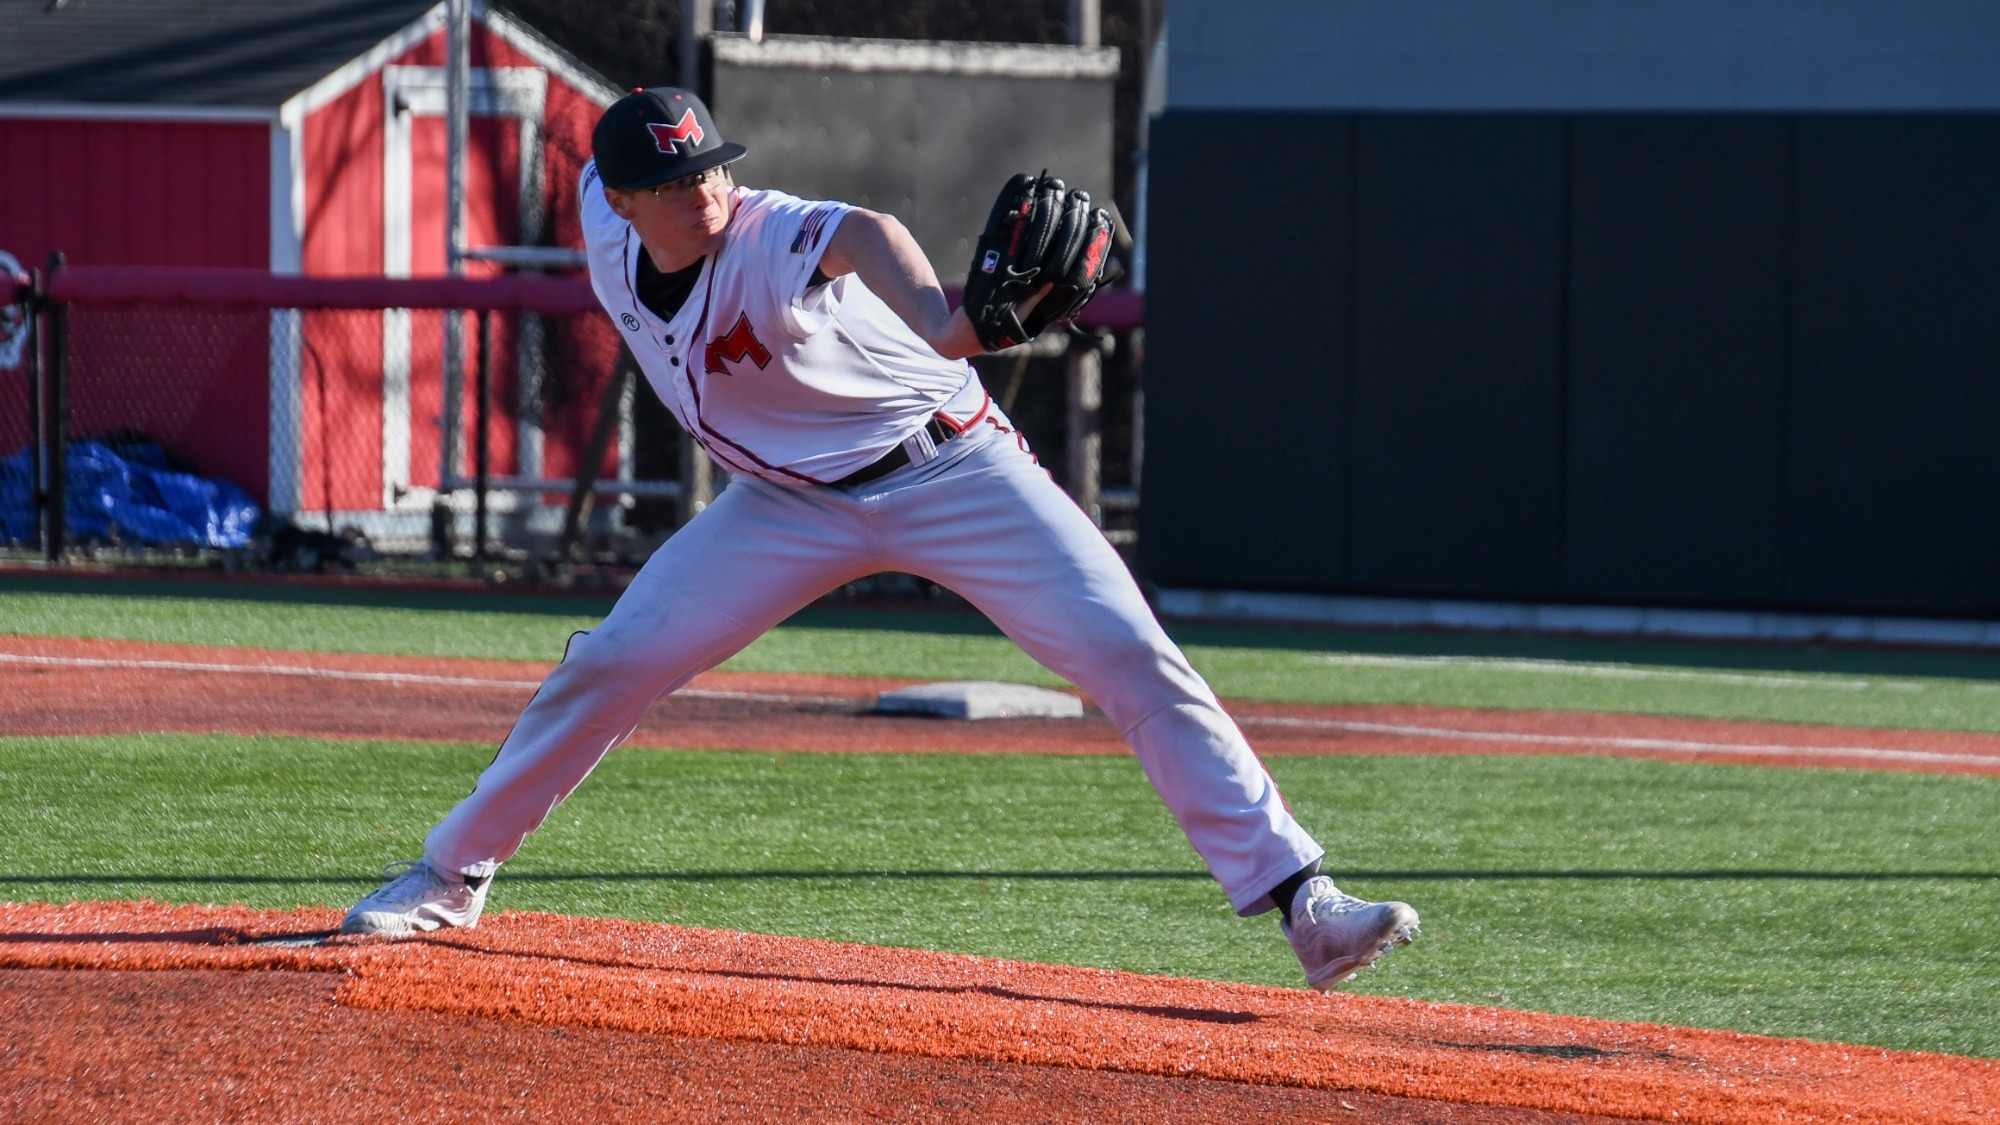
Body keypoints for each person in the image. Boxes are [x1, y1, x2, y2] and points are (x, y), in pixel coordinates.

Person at [341, 87, 1419, 991]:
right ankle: (449, 876)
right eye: (675, 182)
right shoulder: (600, 209)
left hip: (950, 466)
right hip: (782, 504)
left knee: (1126, 651)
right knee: (612, 661)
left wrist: (949, 324)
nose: (704, 189)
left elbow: (861, 231)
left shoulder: (763, 233)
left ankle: (1302, 901)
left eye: (711, 166)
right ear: (621, 201)